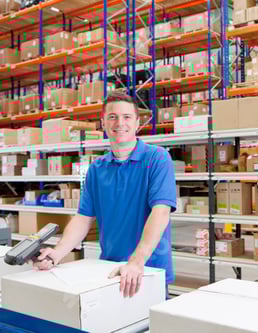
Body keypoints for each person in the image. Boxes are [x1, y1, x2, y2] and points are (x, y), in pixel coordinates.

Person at [34, 91, 177, 299]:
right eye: (112, 117)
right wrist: (57, 253)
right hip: (109, 269)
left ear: (137, 122)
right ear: (103, 123)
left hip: (148, 269)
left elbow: (161, 213)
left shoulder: (157, 159)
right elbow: (83, 218)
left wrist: (136, 262)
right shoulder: (97, 168)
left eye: (127, 117)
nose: (120, 123)